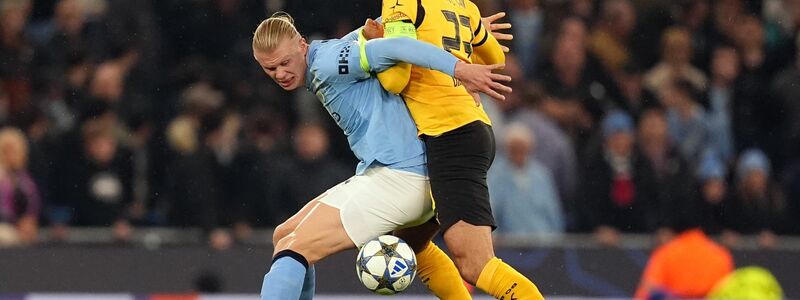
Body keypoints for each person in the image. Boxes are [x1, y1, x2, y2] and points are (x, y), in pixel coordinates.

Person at [252, 13, 512, 299]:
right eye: (270, 68)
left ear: (301, 45)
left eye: (284, 63)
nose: (280, 74)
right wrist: (464, 33)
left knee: (295, 248)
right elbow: (388, 22)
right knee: (283, 235)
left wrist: (460, 68)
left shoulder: (327, 63)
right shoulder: (326, 54)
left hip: (401, 177)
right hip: (397, 171)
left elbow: (397, 47)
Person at [378, 0, 544, 298]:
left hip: (449, 136)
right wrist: (468, 38)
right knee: (409, 245)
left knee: (476, 265)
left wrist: (376, 44)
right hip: (472, 127)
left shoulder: (402, 3)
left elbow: (394, 80)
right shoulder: (464, 5)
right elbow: (495, 56)